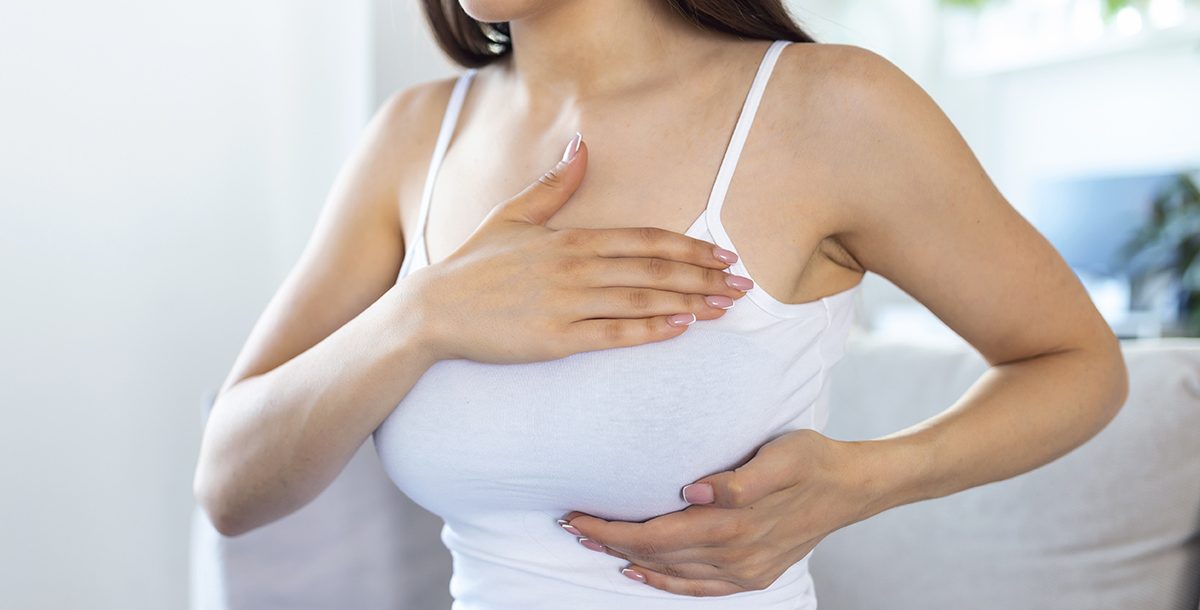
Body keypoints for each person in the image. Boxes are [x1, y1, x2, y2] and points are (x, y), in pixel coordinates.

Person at [193, 1, 1130, 608]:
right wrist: (421, 315)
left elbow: (1077, 364)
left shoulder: (832, 108)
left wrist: (866, 480)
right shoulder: (410, 137)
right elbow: (232, 484)